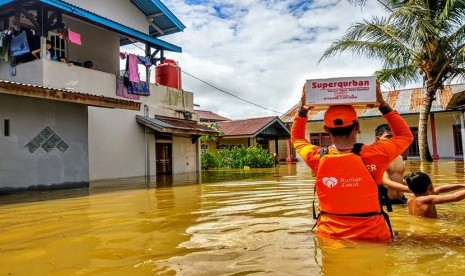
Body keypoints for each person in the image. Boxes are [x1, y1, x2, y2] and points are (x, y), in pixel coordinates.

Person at [291, 81, 413, 242]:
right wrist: (382, 104)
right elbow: (406, 136)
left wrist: (303, 109)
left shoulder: (316, 157)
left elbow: (297, 137)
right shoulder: (376, 154)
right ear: (357, 126)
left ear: (326, 130)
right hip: (373, 236)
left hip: (331, 238)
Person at [375, 124, 411, 204]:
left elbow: (398, 179)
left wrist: (416, 185)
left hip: (402, 199)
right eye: (388, 136)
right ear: (378, 139)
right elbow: (386, 183)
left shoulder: (399, 157)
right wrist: (412, 190)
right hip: (386, 203)